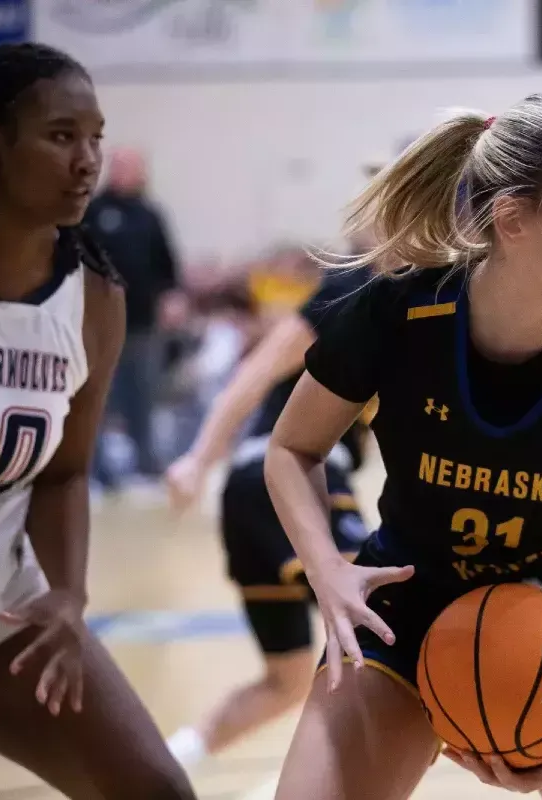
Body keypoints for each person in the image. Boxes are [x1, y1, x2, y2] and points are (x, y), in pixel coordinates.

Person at [263, 93, 542, 799]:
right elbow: (292, 449)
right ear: (513, 219)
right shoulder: (399, 312)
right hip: (407, 605)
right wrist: (328, 570)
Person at [0, 43, 194, 799]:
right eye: (61, 136)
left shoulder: (95, 299)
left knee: (158, 791)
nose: (87, 160)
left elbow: (65, 471)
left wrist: (69, 594)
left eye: (95, 137)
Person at [160, 166, 386, 766]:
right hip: (290, 480)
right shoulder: (350, 290)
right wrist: (196, 459)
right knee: (386, 628)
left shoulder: (411, 302)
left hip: (248, 495)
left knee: (285, 679)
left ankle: (163, 764)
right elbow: (255, 373)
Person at [85, 146, 183, 490]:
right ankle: (95, 471)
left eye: (132, 166)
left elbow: (167, 264)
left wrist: (172, 298)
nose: (125, 172)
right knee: (97, 397)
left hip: (142, 323)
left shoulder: (150, 215)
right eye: (120, 165)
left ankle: (145, 467)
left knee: (143, 396)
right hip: (98, 323)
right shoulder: (93, 211)